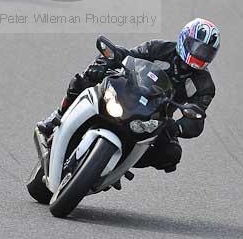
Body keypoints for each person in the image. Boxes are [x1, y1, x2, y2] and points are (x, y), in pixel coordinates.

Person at [37, 18, 219, 173]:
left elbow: (197, 117)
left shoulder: (204, 86)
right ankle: (58, 116)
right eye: (197, 48)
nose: (199, 55)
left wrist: (177, 127)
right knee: (84, 79)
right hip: (128, 93)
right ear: (184, 40)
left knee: (171, 154)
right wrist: (104, 64)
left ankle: (121, 166)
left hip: (156, 117)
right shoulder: (158, 48)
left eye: (205, 53)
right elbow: (128, 56)